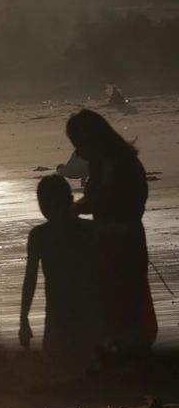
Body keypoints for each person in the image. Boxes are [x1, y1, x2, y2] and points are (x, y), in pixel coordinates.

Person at [66, 109, 157, 353]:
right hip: (107, 243)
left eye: (78, 145)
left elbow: (113, 201)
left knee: (125, 304)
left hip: (124, 244)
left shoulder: (125, 165)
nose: (78, 152)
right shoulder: (101, 164)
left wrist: (76, 208)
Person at [19, 175, 102, 360]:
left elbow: (30, 280)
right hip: (91, 313)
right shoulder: (91, 230)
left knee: (59, 370)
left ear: (42, 206)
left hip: (58, 316)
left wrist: (23, 320)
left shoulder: (40, 236)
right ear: (70, 200)